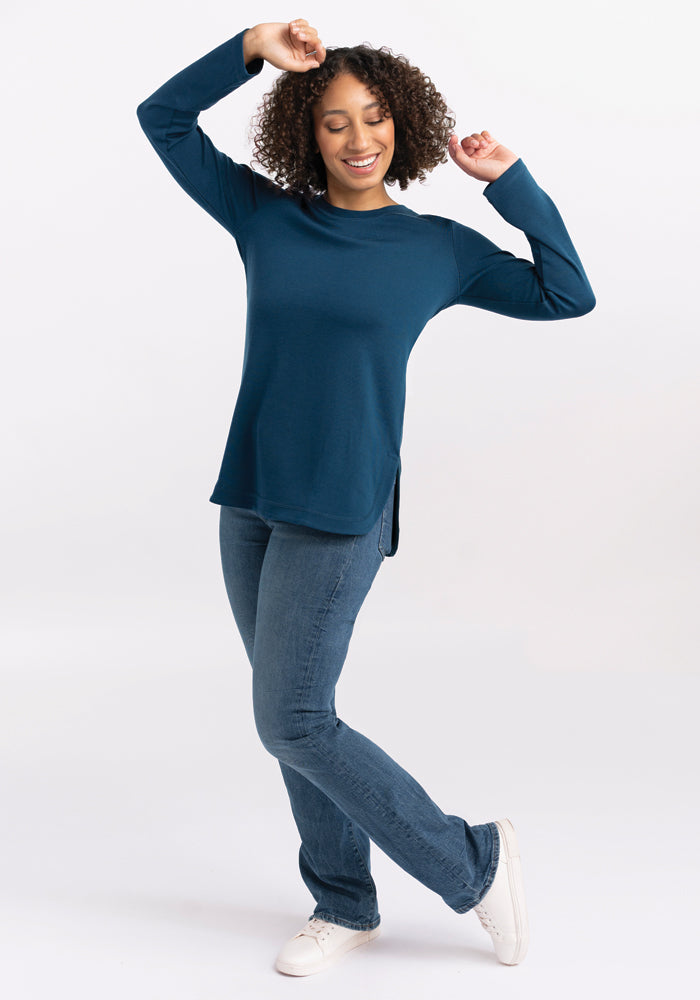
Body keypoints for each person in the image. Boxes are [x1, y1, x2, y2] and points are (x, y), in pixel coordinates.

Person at [136, 16, 595, 978]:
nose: (358, 139)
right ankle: (342, 899)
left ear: (405, 127)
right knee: (294, 712)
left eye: (376, 118)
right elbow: (163, 118)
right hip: (252, 495)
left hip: (344, 506)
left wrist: (512, 183)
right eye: (336, 121)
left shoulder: (435, 248)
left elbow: (567, 294)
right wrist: (253, 46)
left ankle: (474, 860)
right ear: (307, 129)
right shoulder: (267, 217)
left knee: (291, 720)